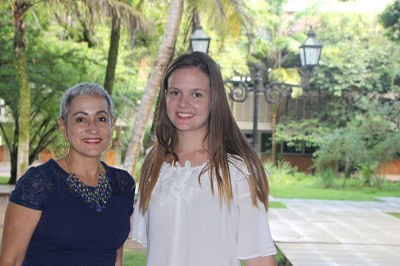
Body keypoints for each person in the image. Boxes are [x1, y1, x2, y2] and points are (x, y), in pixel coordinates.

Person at [131, 52, 276, 266]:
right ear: (165, 97)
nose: (183, 103)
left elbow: (260, 256)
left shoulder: (237, 170)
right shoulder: (153, 164)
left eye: (196, 94)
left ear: (213, 99)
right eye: (175, 92)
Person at [0, 83, 135, 265]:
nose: (92, 128)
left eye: (101, 119)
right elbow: (10, 260)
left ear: (111, 122)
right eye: (81, 119)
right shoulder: (39, 183)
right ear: (63, 126)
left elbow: (115, 257)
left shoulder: (123, 184)